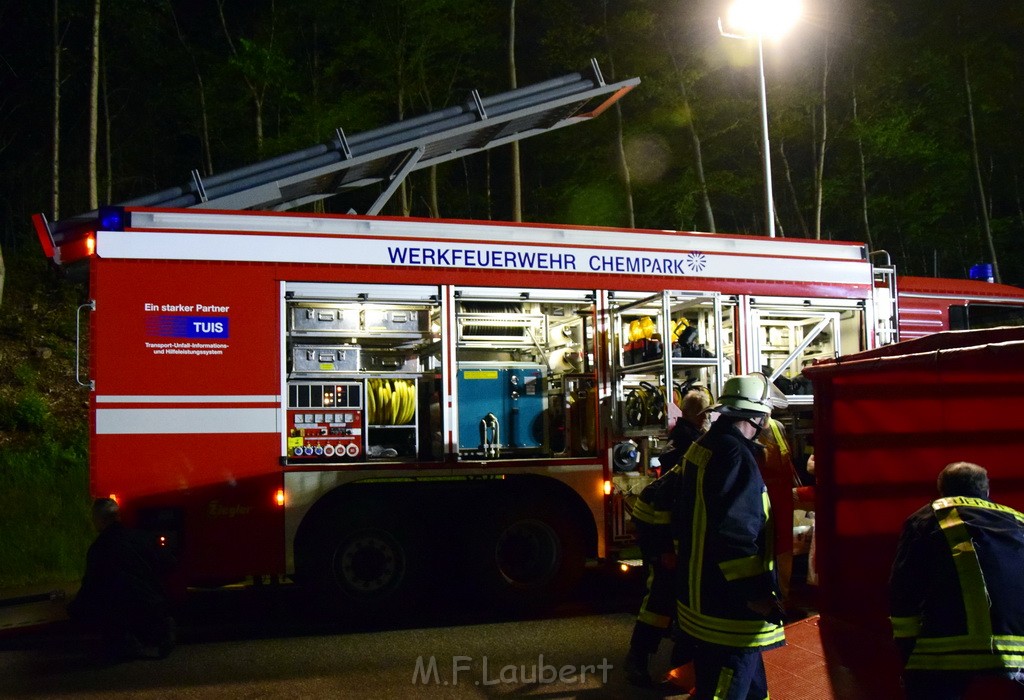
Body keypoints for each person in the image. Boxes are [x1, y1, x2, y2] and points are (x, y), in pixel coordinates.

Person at [673, 373, 786, 700]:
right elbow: (736, 533)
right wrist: (756, 594)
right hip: (730, 613)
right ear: (757, 415)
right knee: (729, 688)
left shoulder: (705, 445)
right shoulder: (734, 455)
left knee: (751, 690)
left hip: (700, 595)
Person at [889, 462, 1024, 700]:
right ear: (986, 491)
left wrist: (908, 651)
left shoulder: (926, 518)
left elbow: (904, 587)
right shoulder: (1018, 519)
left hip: (949, 646)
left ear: (941, 490)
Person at [624, 389, 711, 686]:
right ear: (701, 416)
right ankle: (637, 659)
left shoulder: (687, 439)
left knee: (678, 592)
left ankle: (681, 661)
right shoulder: (693, 447)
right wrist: (665, 549)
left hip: (664, 521)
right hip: (658, 522)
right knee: (661, 591)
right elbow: (666, 503)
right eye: (707, 414)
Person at [67, 497, 176, 660]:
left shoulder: (99, 548)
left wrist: (75, 609)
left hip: (121, 607)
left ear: (99, 520)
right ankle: (160, 630)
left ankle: (125, 641)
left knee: (106, 607)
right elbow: (168, 562)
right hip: (153, 603)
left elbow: (90, 585)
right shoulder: (140, 538)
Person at [757, 415, 798, 599]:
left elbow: (787, 461)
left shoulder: (777, 427)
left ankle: (782, 597)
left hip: (781, 499)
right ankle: (773, 596)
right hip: (765, 498)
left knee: (783, 549)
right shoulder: (754, 429)